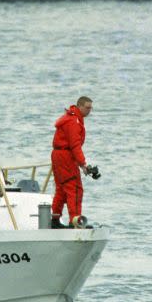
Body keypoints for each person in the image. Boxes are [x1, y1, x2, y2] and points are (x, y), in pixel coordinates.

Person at [51, 96, 92, 228]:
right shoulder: (74, 121)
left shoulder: (71, 118)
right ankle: (74, 222)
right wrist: (83, 164)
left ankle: (55, 219)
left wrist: (81, 163)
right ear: (79, 106)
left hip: (59, 155)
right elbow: (75, 145)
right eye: (87, 107)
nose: (90, 110)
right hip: (65, 156)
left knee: (62, 188)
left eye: (91, 108)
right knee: (74, 188)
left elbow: (74, 146)